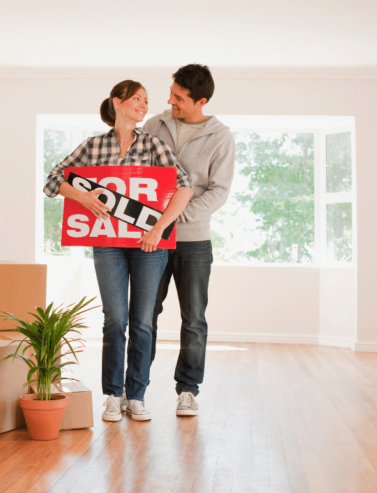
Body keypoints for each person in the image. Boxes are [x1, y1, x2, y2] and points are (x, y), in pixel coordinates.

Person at [44, 80, 193, 422]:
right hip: (108, 243)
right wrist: (82, 196)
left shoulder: (154, 145)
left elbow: (184, 189)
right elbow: (53, 180)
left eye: (146, 100)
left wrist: (158, 229)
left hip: (148, 246)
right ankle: (113, 395)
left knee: (142, 322)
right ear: (118, 102)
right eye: (137, 99)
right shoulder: (94, 146)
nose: (144, 105)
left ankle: (136, 396)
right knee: (115, 320)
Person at [143, 64, 235, 417]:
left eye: (179, 98)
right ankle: (135, 387)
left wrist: (173, 217)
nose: (170, 101)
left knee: (194, 318)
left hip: (193, 241)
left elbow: (219, 191)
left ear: (201, 101)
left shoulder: (220, 137)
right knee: (145, 313)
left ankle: (188, 389)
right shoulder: (155, 125)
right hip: (151, 238)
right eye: (171, 93)